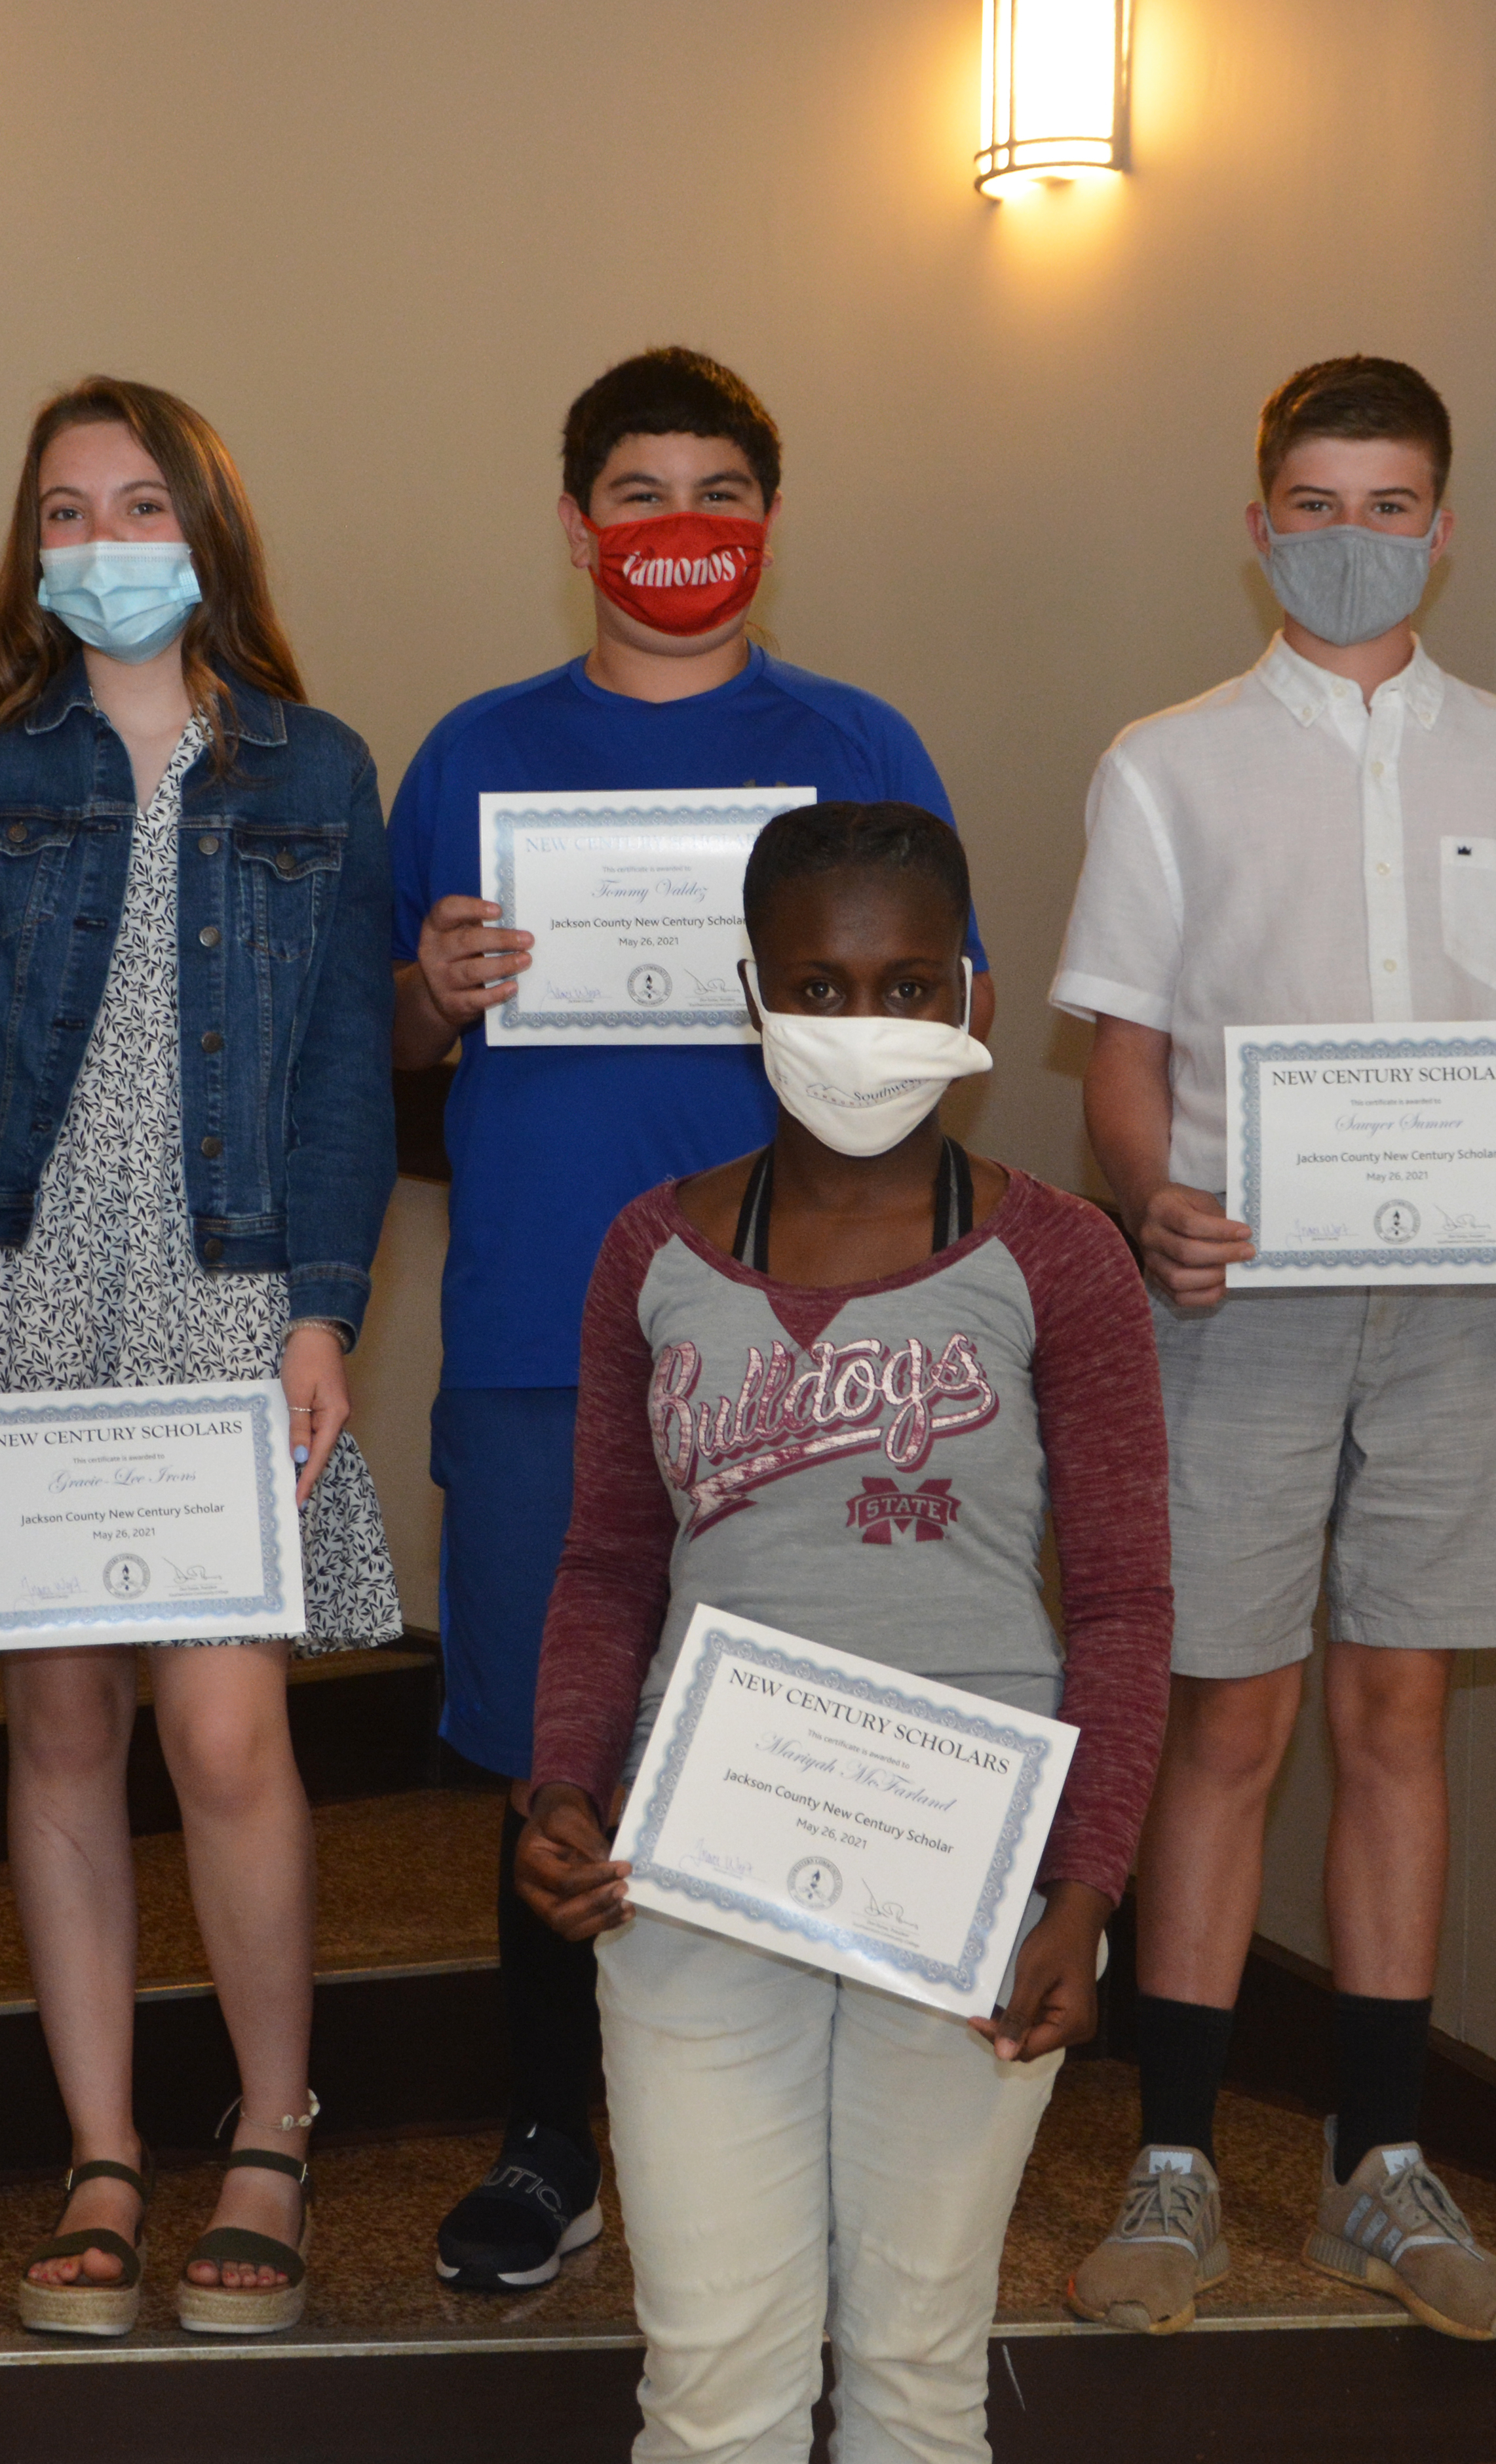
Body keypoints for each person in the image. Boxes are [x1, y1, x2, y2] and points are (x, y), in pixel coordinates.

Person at [1052, 356, 1496, 2344]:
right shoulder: (1168, 762)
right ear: (1257, 525)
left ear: (1442, 527)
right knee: (1232, 1722)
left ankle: (1378, 2172)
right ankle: (1178, 2156)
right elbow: (1121, 1060)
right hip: (1236, 1310)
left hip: (1467, 1315)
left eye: (1389, 505)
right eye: (1313, 501)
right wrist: (1154, 1199)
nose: (1348, 540)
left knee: (1403, 1712)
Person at [389, 346, 991, 2292]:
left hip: (813, 1332)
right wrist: (439, 983)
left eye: (714, 488)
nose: (677, 526)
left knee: (807, 1723)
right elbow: (387, 1045)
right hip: (537, 1332)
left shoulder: (861, 741)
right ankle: (551, 2140)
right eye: (636, 491)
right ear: (577, 528)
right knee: (554, 1744)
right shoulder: (470, 751)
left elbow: (949, 1023)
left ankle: (793, 2152)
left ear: (768, 522)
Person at [518, 800, 1168, 2464]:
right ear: (754, 992)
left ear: (970, 988)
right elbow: (603, 1567)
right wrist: (564, 1786)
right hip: (693, 1873)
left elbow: (1120, 1606)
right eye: (820, 980)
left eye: (902, 983)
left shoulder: (1059, 1260)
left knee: (914, 2359)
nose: (863, 1021)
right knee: (715, 2371)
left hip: (967, 1884)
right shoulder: (649, 1254)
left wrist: (1086, 1885)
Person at [0, 375, 400, 2337]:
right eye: (65, 510)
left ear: (211, 532)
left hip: (227, 1289)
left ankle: (270, 2128)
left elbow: (345, 1062)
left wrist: (323, 1306)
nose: (103, 541)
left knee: (230, 1732)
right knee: (63, 1725)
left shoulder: (319, 771)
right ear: (32, 553)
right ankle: (101, 2150)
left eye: (140, 501)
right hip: (24, 1294)